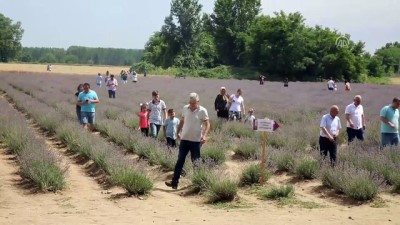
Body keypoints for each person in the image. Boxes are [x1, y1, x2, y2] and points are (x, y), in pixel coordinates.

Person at [165, 93, 210, 189]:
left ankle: (198, 183)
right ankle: (174, 182)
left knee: (196, 162)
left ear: (198, 102)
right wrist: (178, 132)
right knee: (180, 160)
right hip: (184, 139)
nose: (192, 105)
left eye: (194, 103)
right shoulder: (185, 108)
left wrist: (205, 136)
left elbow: (207, 124)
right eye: (191, 103)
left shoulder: (203, 111)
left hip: (196, 141)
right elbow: (182, 121)